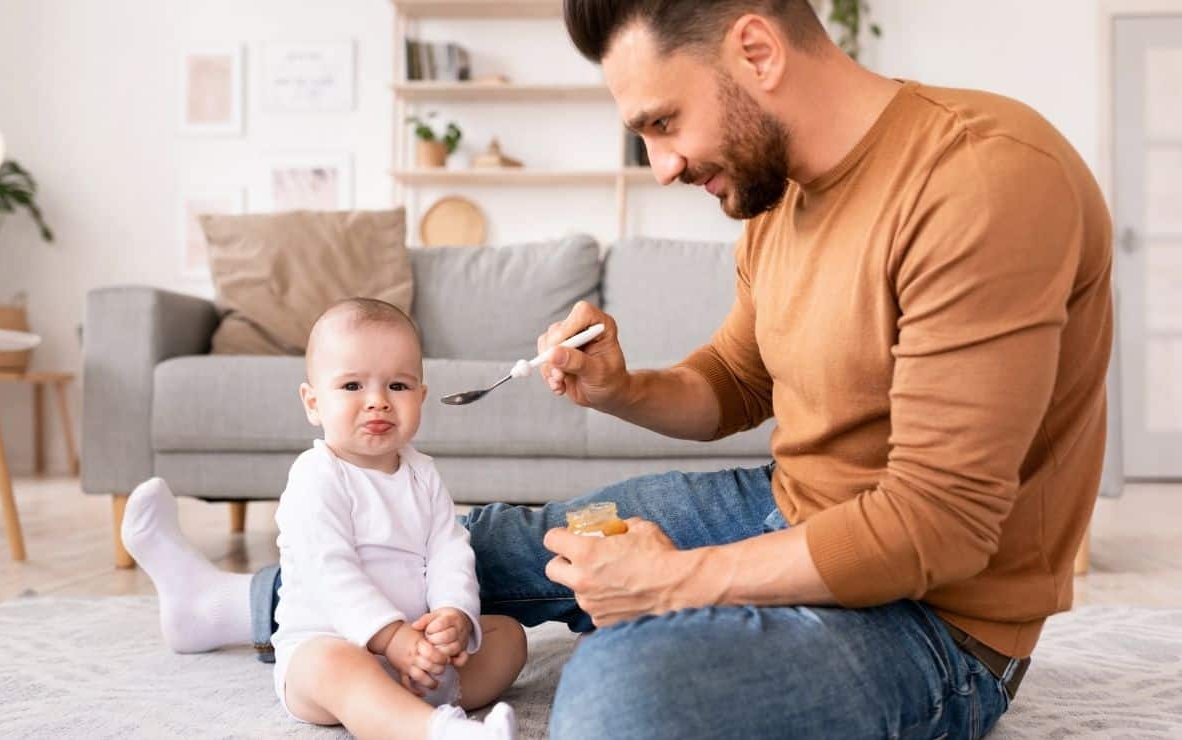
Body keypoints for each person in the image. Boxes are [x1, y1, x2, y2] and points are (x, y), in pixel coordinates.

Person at [123, 1, 1113, 737]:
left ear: (756, 51)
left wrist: (680, 582)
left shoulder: (982, 178)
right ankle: (230, 606)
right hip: (787, 509)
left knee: (621, 692)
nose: (662, 166)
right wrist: (623, 388)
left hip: (937, 620)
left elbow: (937, 520)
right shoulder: (779, 198)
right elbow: (739, 379)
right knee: (470, 541)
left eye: (661, 122)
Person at [124, 299, 526, 740]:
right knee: (335, 665)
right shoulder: (317, 476)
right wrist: (391, 639)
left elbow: (449, 548)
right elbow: (331, 572)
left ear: (421, 397)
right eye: (352, 386)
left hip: (414, 649)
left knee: (507, 637)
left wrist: (453, 615)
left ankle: (400, 703)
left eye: (398, 385)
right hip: (332, 644)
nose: (377, 402)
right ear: (313, 403)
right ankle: (437, 731)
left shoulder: (421, 473)